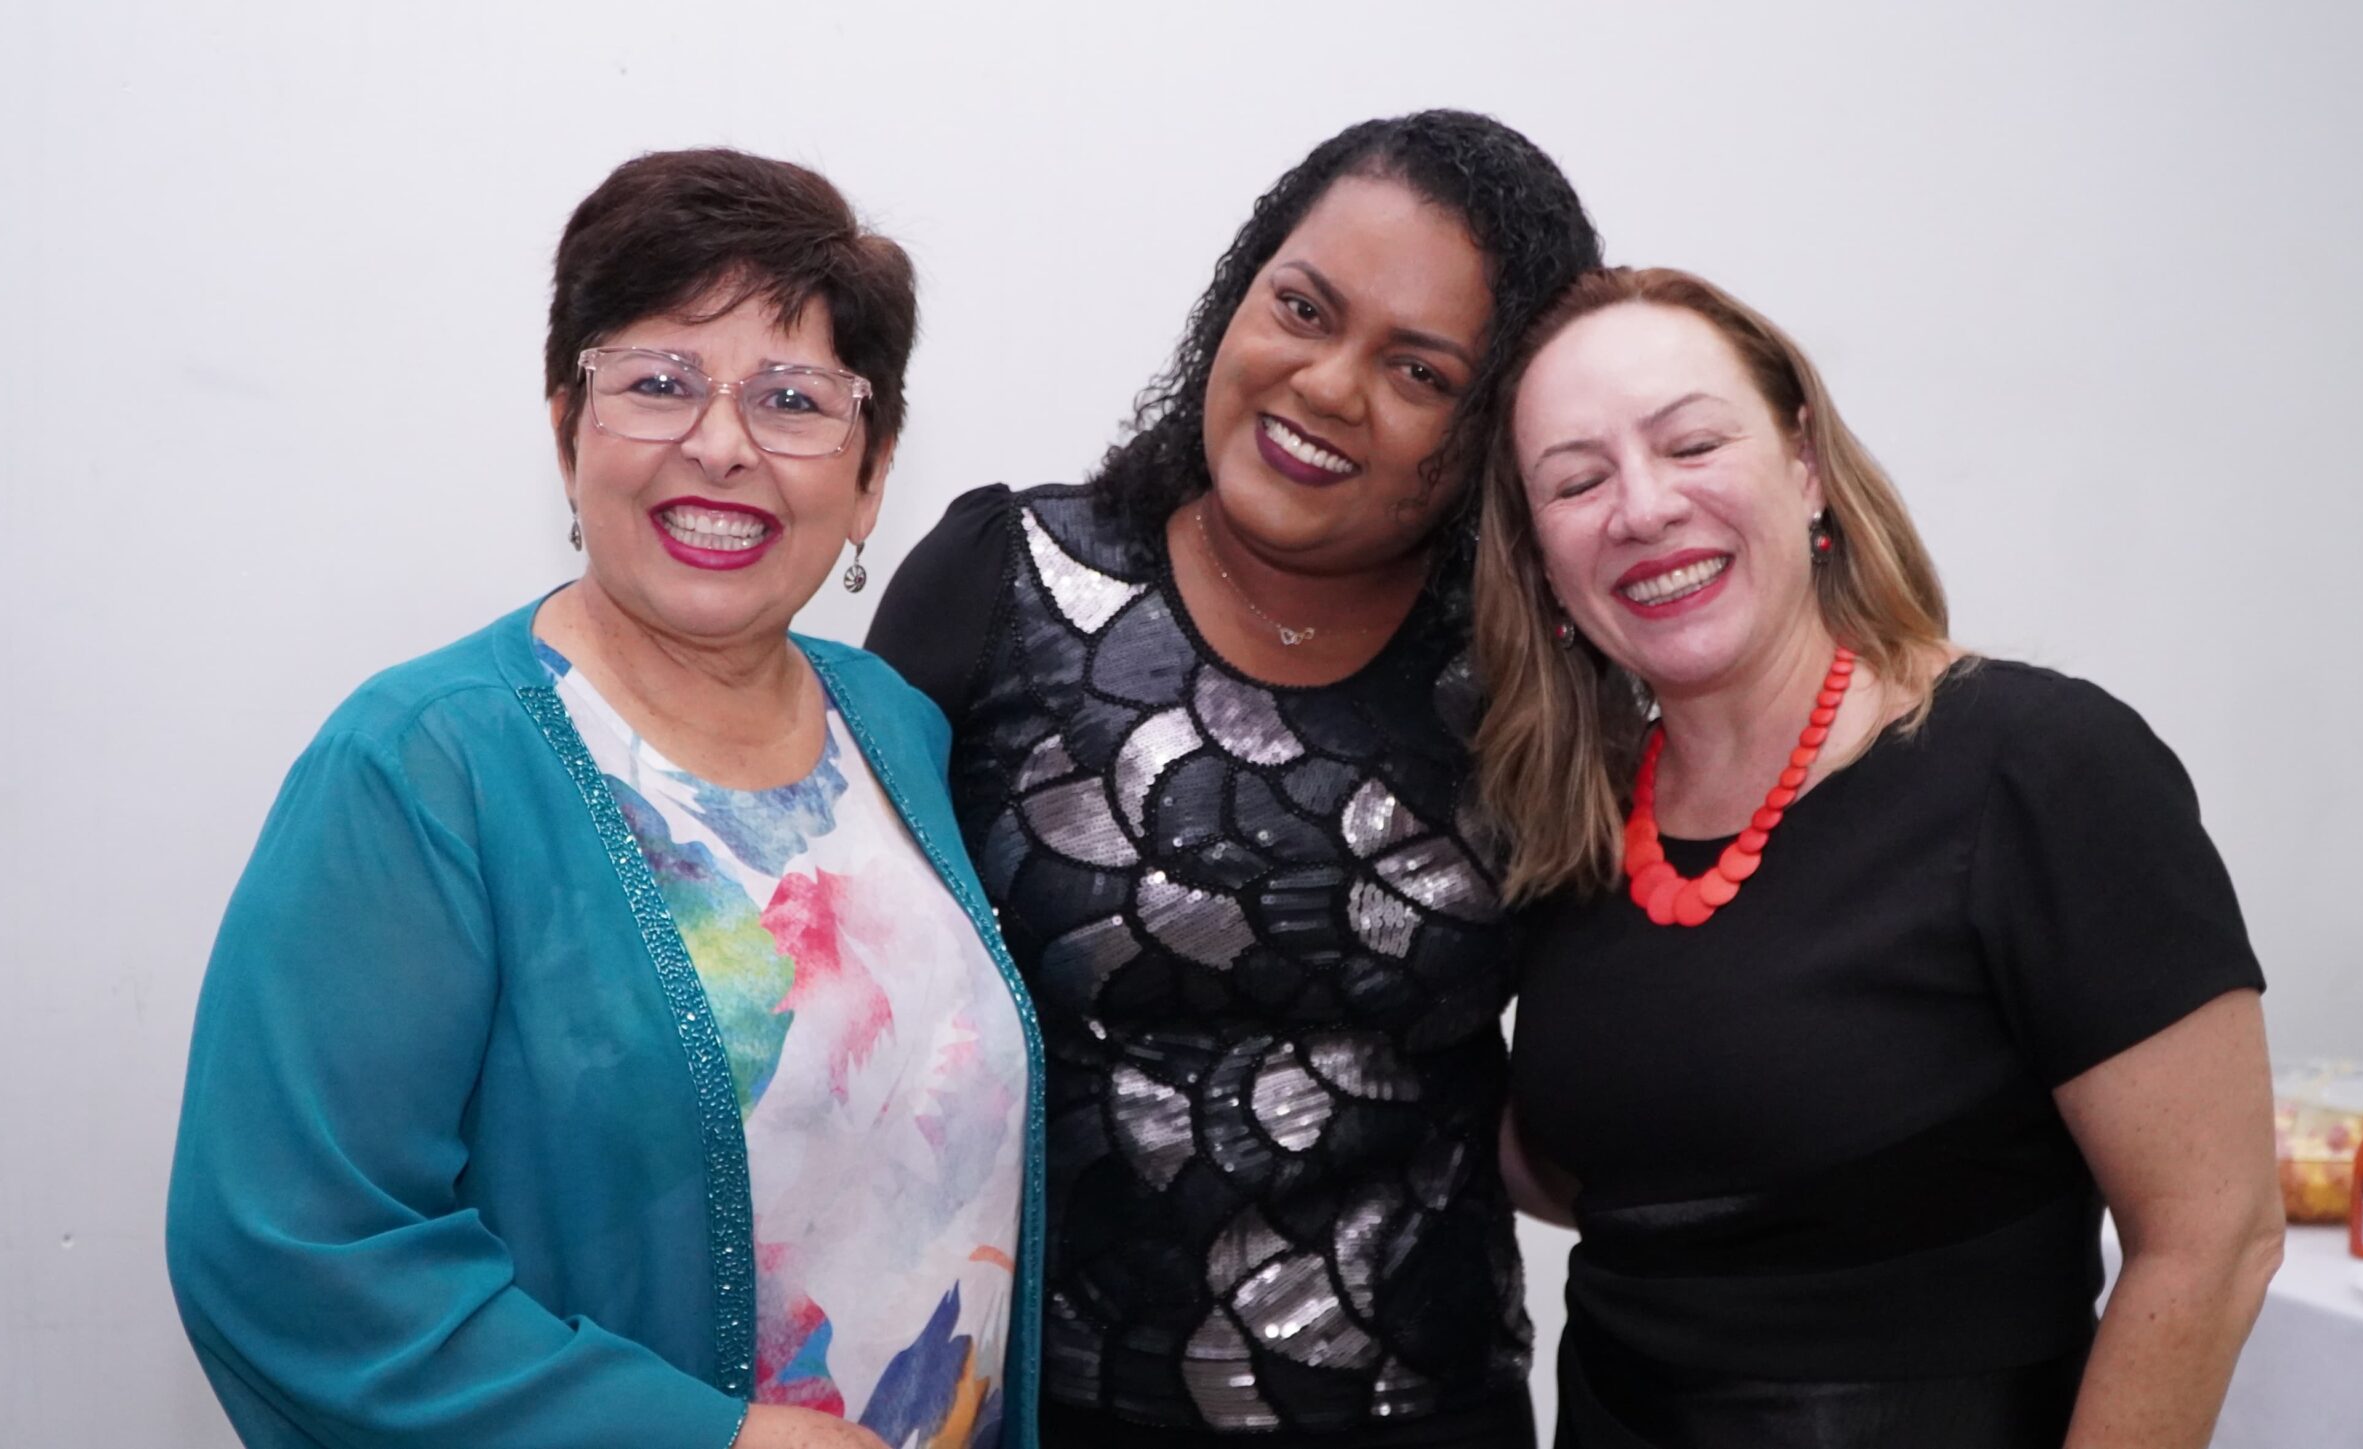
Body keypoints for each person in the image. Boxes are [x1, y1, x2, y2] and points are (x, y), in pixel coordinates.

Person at [166, 149, 1046, 1449]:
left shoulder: (891, 724)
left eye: (793, 399)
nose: (722, 445)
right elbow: (291, 1252)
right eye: (659, 383)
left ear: (872, 472)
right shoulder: (422, 766)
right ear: (566, 425)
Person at [864, 111, 1601, 1448]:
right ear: (1235, 296)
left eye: (1419, 371)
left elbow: (1613, 1071)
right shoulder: (1004, 583)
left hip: (1421, 1416)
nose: (1328, 384)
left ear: (1490, 428)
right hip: (1021, 1411)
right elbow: (832, 979)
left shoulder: (1530, 686)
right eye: (1303, 309)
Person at [1475, 266, 2283, 1448]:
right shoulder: (1570, 822)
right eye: (1576, 480)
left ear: (1804, 463)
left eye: (1691, 444)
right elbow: (1631, 1166)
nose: (1640, 508)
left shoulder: (2039, 767)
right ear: (1540, 557)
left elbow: (2214, 1239)